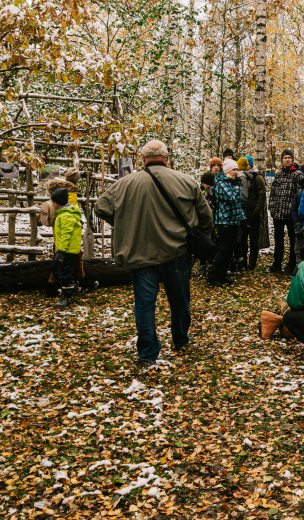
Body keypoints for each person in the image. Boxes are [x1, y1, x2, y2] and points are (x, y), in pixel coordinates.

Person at [95, 140, 214, 367]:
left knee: (144, 305)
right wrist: (198, 239)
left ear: (143, 160)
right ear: (166, 158)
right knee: (180, 301)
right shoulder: (186, 181)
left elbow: (100, 207)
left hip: (141, 253)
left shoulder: (125, 183)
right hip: (177, 252)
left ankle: (148, 354)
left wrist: (125, 224)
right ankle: (180, 340)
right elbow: (206, 217)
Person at [207, 158, 245, 286]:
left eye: (237, 170)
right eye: (234, 169)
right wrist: (237, 187)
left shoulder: (231, 183)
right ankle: (212, 277)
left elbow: (238, 202)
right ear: (227, 170)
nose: (236, 172)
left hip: (233, 221)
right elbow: (233, 197)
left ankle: (222, 275)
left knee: (229, 251)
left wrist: (242, 217)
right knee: (223, 250)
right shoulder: (222, 184)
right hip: (224, 222)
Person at [269, 149, 303, 274]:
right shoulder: (279, 174)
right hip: (278, 213)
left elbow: (300, 194)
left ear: (292, 159)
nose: (287, 160)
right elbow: (272, 192)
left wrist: (296, 212)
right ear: (282, 160)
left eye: (289, 157)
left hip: (291, 215)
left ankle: (291, 264)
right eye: (285, 158)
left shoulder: (298, 174)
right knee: (278, 240)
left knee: (293, 240)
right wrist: (272, 207)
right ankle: (277, 263)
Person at [50, 187, 83, 309]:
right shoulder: (64, 214)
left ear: (58, 203)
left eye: (53, 202)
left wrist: (61, 251)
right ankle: (73, 287)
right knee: (57, 269)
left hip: (66, 251)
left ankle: (68, 298)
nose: (52, 205)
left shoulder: (66, 216)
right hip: (65, 250)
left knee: (64, 274)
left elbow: (66, 235)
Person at [237, 156, 267, 270]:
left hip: (253, 215)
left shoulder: (257, 178)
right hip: (242, 214)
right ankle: (243, 261)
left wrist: (256, 212)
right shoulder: (240, 177)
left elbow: (262, 195)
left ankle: (252, 263)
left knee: (254, 239)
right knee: (242, 239)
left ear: (250, 165)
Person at [198, 171, 217, 278]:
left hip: (208, 221)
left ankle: (204, 266)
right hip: (211, 221)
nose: (202, 184)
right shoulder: (209, 191)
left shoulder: (210, 191)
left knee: (205, 244)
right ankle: (208, 265)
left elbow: (207, 207)